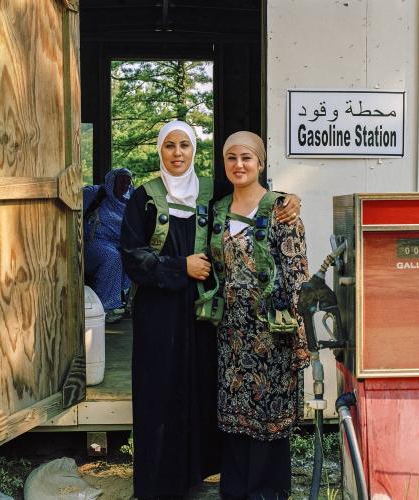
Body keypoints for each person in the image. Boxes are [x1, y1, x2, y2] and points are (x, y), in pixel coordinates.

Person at [120, 121, 301, 499]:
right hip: (160, 313)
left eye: (184, 145)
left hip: (206, 317)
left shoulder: (209, 194)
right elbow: (132, 258)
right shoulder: (144, 198)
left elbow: (255, 193)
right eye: (169, 146)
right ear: (159, 151)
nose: (177, 153)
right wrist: (178, 267)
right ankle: (158, 484)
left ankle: (199, 474)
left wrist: (291, 198)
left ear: (194, 152)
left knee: (202, 391)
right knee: (161, 391)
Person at [211, 131, 310, 500]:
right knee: (235, 409)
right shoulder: (218, 210)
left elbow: (298, 274)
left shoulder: (282, 210)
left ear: (261, 163)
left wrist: (300, 336)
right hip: (231, 332)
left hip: (272, 331)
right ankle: (235, 489)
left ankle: (267, 491)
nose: (239, 165)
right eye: (231, 158)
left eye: (247, 157)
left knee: (270, 411)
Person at [83, 168, 134, 323]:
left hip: (117, 244)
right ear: (112, 181)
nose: (125, 184)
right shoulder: (96, 193)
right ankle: (104, 308)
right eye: (122, 180)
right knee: (112, 257)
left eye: (128, 180)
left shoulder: (129, 200)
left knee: (136, 256)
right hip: (93, 243)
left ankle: (127, 304)